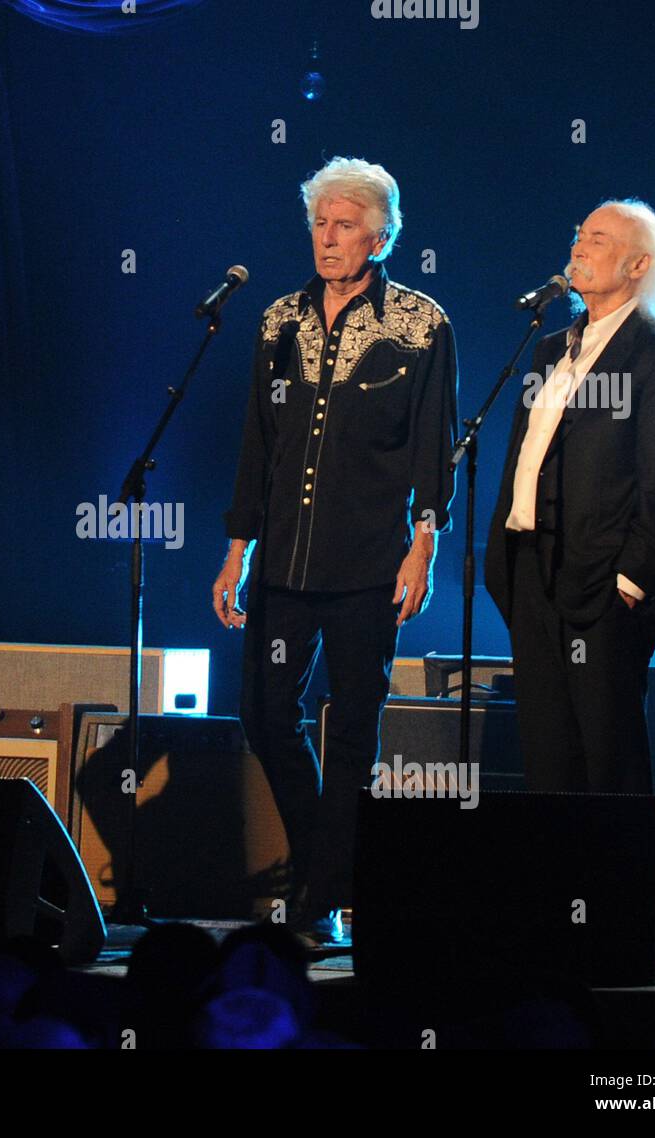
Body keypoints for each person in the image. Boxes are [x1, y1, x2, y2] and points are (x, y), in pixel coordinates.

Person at [212, 157, 458, 944]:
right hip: (283, 560)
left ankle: (325, 899)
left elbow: (432, 447)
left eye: (344, 224)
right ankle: (331, 867)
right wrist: (235, 550)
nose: (327, 237)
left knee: (353, 728)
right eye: (319, 222)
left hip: (369, 564)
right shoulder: (278, 319)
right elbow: (256, 441)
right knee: (263, 713)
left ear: (381, 235)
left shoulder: (422, 324)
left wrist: (423, 547)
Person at [485, 199, 655, 795]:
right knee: (548, 765)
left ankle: (614, 892)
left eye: (599, 239)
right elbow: (523, 456)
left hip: (603, 587)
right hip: (533, 574)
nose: (579, 247)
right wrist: (504, 561)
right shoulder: (550, 348)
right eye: (579, 234)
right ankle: (558, 891)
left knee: (608, 770)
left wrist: (631, 582)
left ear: (638, 265)